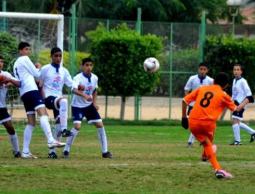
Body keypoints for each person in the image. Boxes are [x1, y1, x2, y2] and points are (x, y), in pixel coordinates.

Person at [182, 72, 246, 179]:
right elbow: (236, 109)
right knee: (209, 143)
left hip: (193, 122)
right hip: (208, 124)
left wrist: (184, 118)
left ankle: (205, 155)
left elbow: (184, 101)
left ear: (214, 81)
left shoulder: (202, 88)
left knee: (207, 142)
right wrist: (246, 101)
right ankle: (217, 169)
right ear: (226, 86)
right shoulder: (224, 95)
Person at [13, 42, 65, 159]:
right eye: (26, 49)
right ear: (20, 51)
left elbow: (20, 80)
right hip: (31, 90)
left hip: (24, 93)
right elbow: (37, 74)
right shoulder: (24, 59)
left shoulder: (16, 64)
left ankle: (25, 151)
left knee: (31, 122)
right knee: (43, 113)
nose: (28, 52)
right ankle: (51, 140)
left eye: (29, 50)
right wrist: (38, 67)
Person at [63, 57, 112, 159]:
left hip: (89, 106)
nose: (89, 67)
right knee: (77, 126)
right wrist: (84, 95)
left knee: (100, 124)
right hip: (77, 106)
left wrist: (94, 103)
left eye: (90, 65)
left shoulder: (95, 78)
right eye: (86, 65)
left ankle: (105, 152)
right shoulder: (77, 78)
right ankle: (66, 149)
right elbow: (74, 90)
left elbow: (94, 91)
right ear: (82, 66)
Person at [39, 47, 73, 159]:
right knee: (64, 100)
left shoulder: (64, 71)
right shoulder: (45, 69)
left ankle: (52, 152)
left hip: (57, 102)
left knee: (57, 127)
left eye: (60, 56)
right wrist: (41, 99)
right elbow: (38, 82)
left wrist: (81, 90)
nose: (58, 58)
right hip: (49, 99)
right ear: (51, 56)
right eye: (56, 56)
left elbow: (71, 85)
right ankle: (64, 129)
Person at [184, 62, 213, 147]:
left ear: (207, 71)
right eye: (201, 69)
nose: (202, 71)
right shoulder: (192, 78)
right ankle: (202, 139)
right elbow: (186, 90)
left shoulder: (210, 80)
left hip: (204, 107)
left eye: (204, 69)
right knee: (192, 124)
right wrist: (188, 99)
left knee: (197, 124)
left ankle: (190, 142)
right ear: (198, 69)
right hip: (192, 105)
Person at [0, 55, 21, 157]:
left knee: (10, 128)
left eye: (2, 61)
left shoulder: (5, 74)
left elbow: (18, 83)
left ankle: (16, 151)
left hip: (1, 108)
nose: (0, 63)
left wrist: (9, 82)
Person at [230, 64, 255, 145]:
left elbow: (249, 96)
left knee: (234, 120)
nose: (236, 71)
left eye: (238, 70)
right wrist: (231, 102)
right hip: (235, 103)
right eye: (234, 70)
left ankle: (238, 141)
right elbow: (234, 94)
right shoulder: (234, 80)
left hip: (241, 103)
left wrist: (241, 105)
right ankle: (253, 133)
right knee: (236, 122)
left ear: (241, 71)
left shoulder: (243, 81)